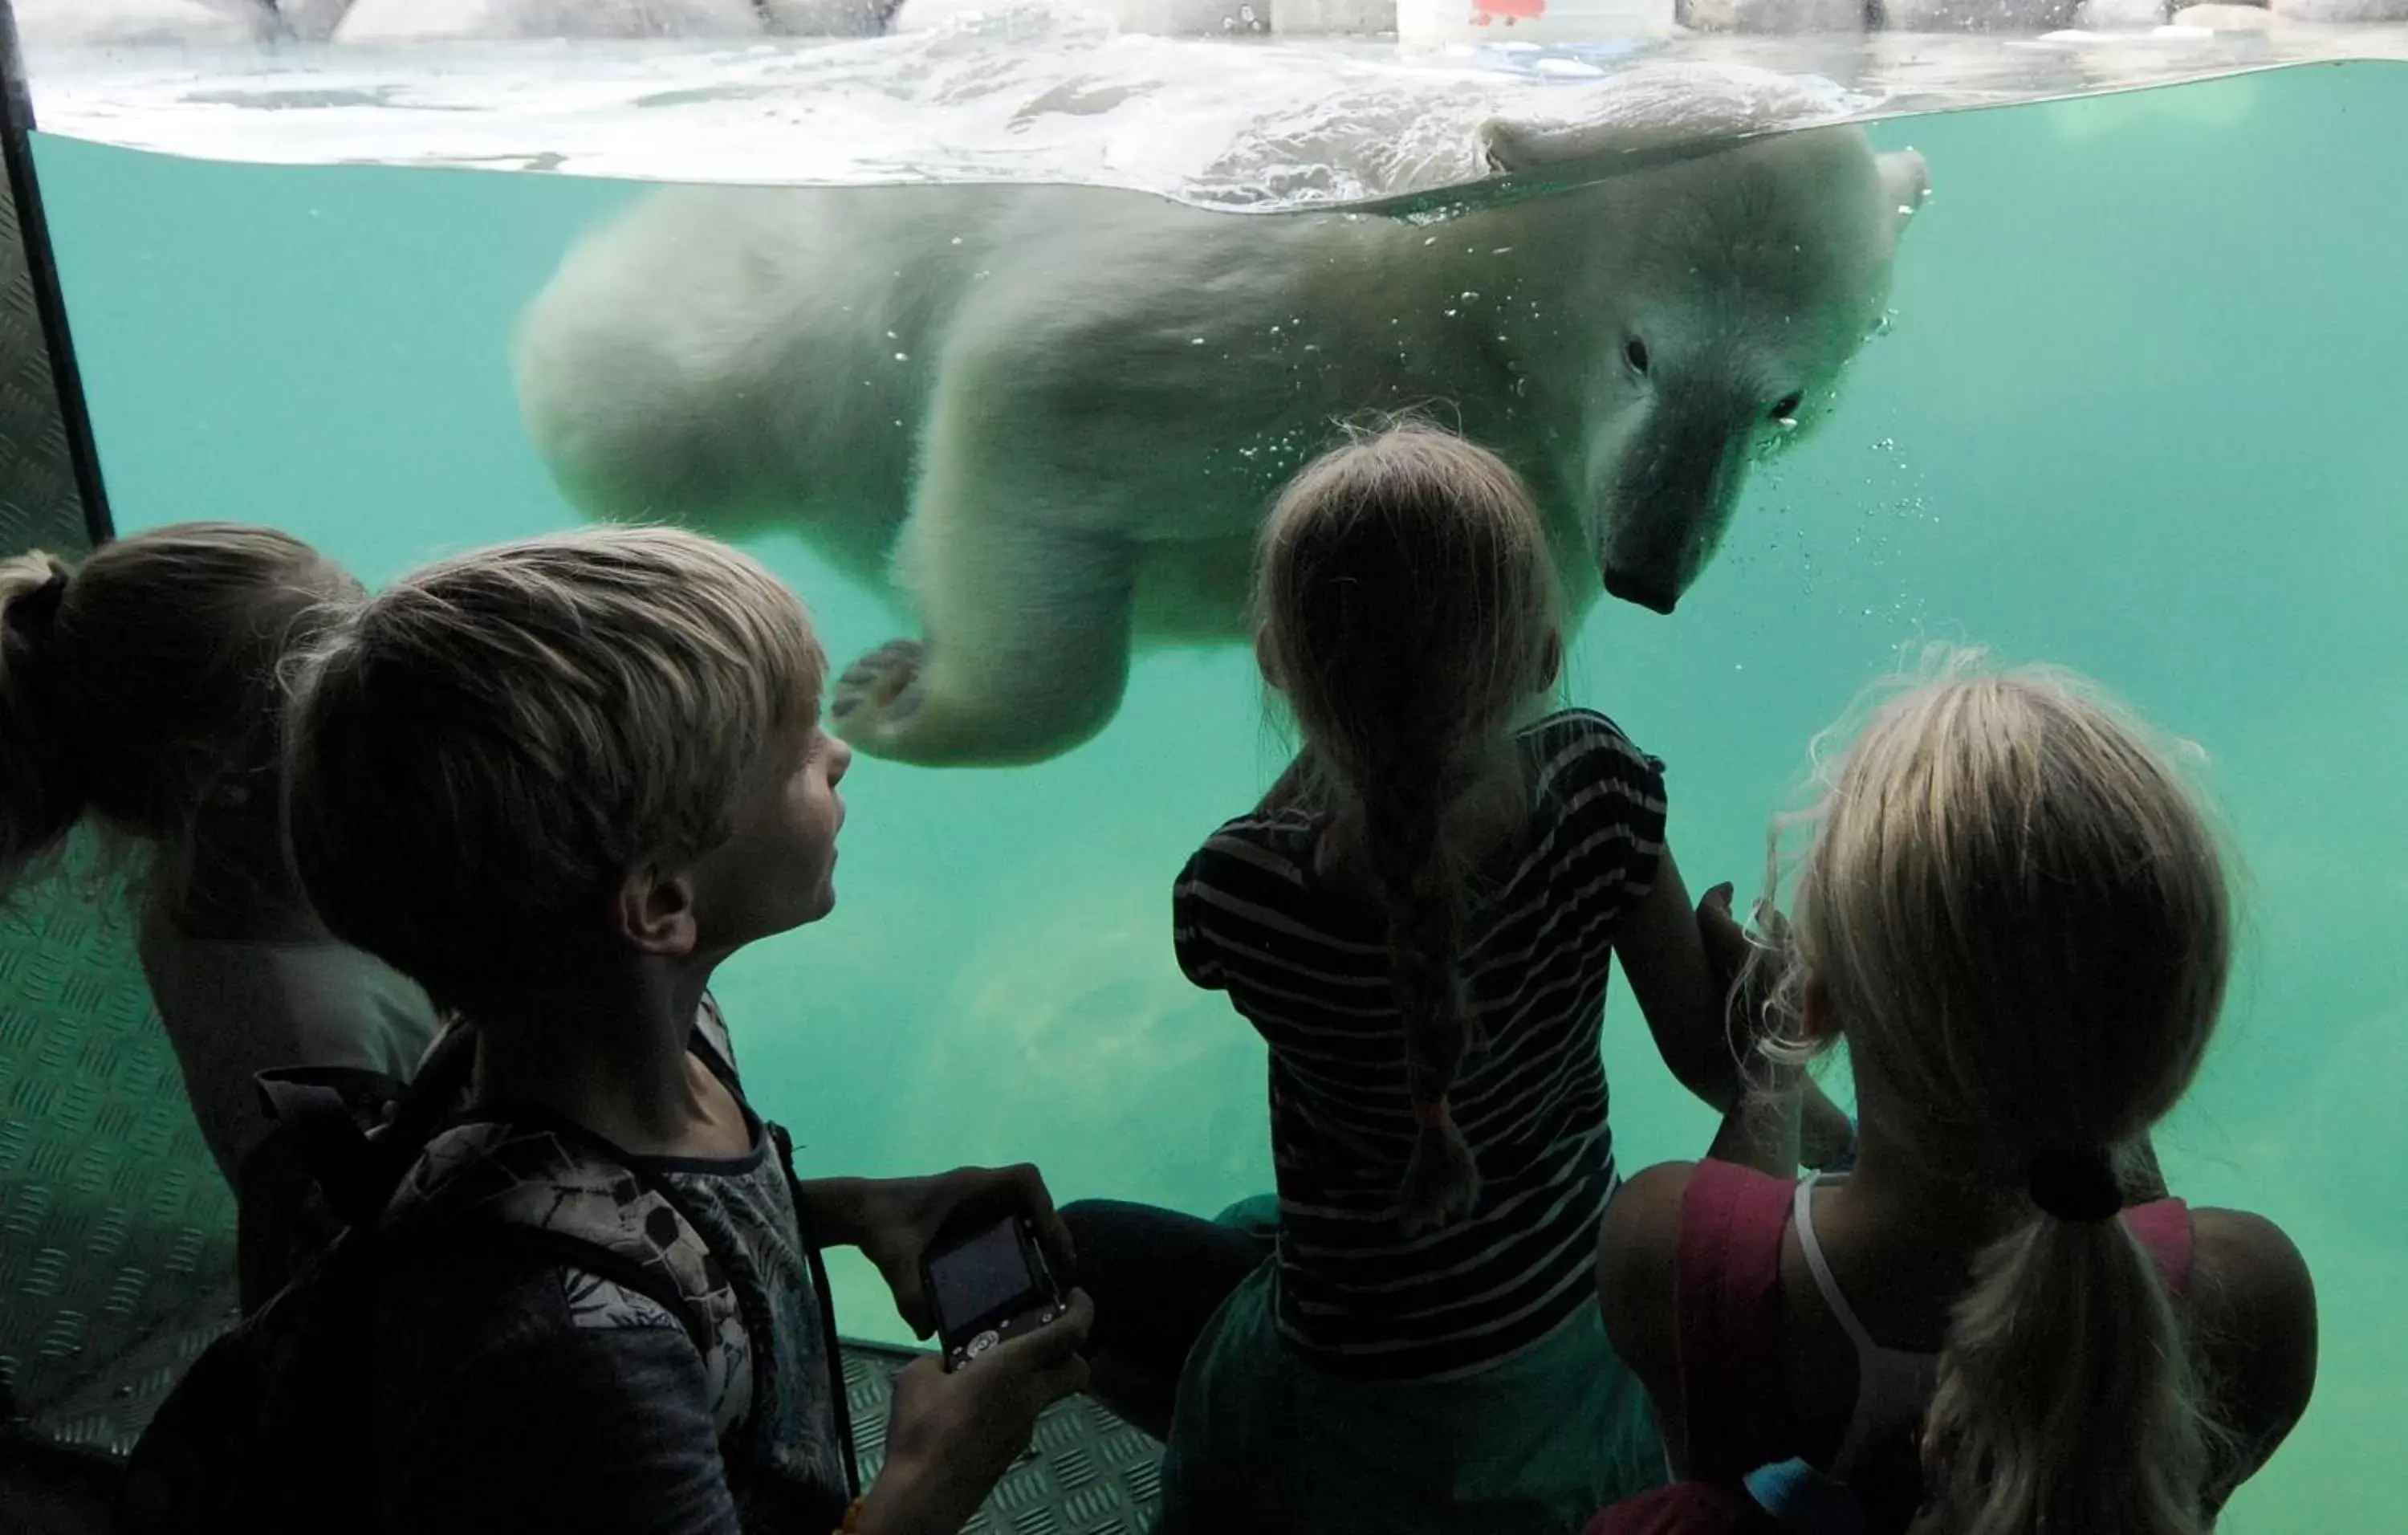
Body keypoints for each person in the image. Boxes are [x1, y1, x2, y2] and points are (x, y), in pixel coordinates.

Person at [1064, 423, 1849, 1535]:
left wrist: (1357, 700)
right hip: (1562, 1379)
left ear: (1278, 666)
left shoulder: (1235, 897)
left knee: (1090, 1250)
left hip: (1326, 1403)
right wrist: (1782, 1052)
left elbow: (1319, 831)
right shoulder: (1598, 791)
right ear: (1540, 654)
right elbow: (1703, 1057)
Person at [278, 524, 1094, 1534]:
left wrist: (844, 1210)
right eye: (797, 751)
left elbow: (653, 1211)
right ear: (662, 903)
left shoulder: (662, 1026)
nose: (838, 751)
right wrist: (932, 1478)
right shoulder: (573, 1355)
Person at [1590, 658, 2319, 1535]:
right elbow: (2124, 1240)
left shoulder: (1658, 1247)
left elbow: (1725, 1241)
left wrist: (1770, 1061)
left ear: (1819, 1001)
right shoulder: (2254, 1303)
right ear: (2170, 1039)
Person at [0, 525, 443, 1305]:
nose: (401, 688)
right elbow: (379, 1293)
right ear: (222, 774)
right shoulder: (310, 1054)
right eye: (341, 676)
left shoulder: (219, 886)